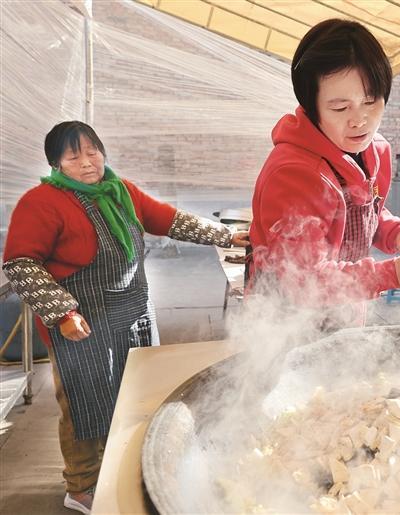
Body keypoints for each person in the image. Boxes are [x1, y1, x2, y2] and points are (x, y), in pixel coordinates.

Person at [2, 121, 249, 514]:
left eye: (93, 151)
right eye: (74, 156)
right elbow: (20, 263)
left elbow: (168, 219)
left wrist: (224, 235)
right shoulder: (42, 202)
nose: (87, 162)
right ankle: (81, 486)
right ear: (56, 163)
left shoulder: (119, 191)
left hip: (132, 315)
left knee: (132, 396)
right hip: (81, 324)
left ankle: (123, 466)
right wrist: (62, 311)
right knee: (86, 406)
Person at [248, 19, 400, 328]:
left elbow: (363, 215)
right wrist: (393, 273)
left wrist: (397, 235)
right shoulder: (293, 174)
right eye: (340, 108)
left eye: (371, 101)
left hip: (345, 313)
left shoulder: (374, 150)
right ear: (311, 107)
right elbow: (303, 281)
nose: (360, 121)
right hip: (286, 326)